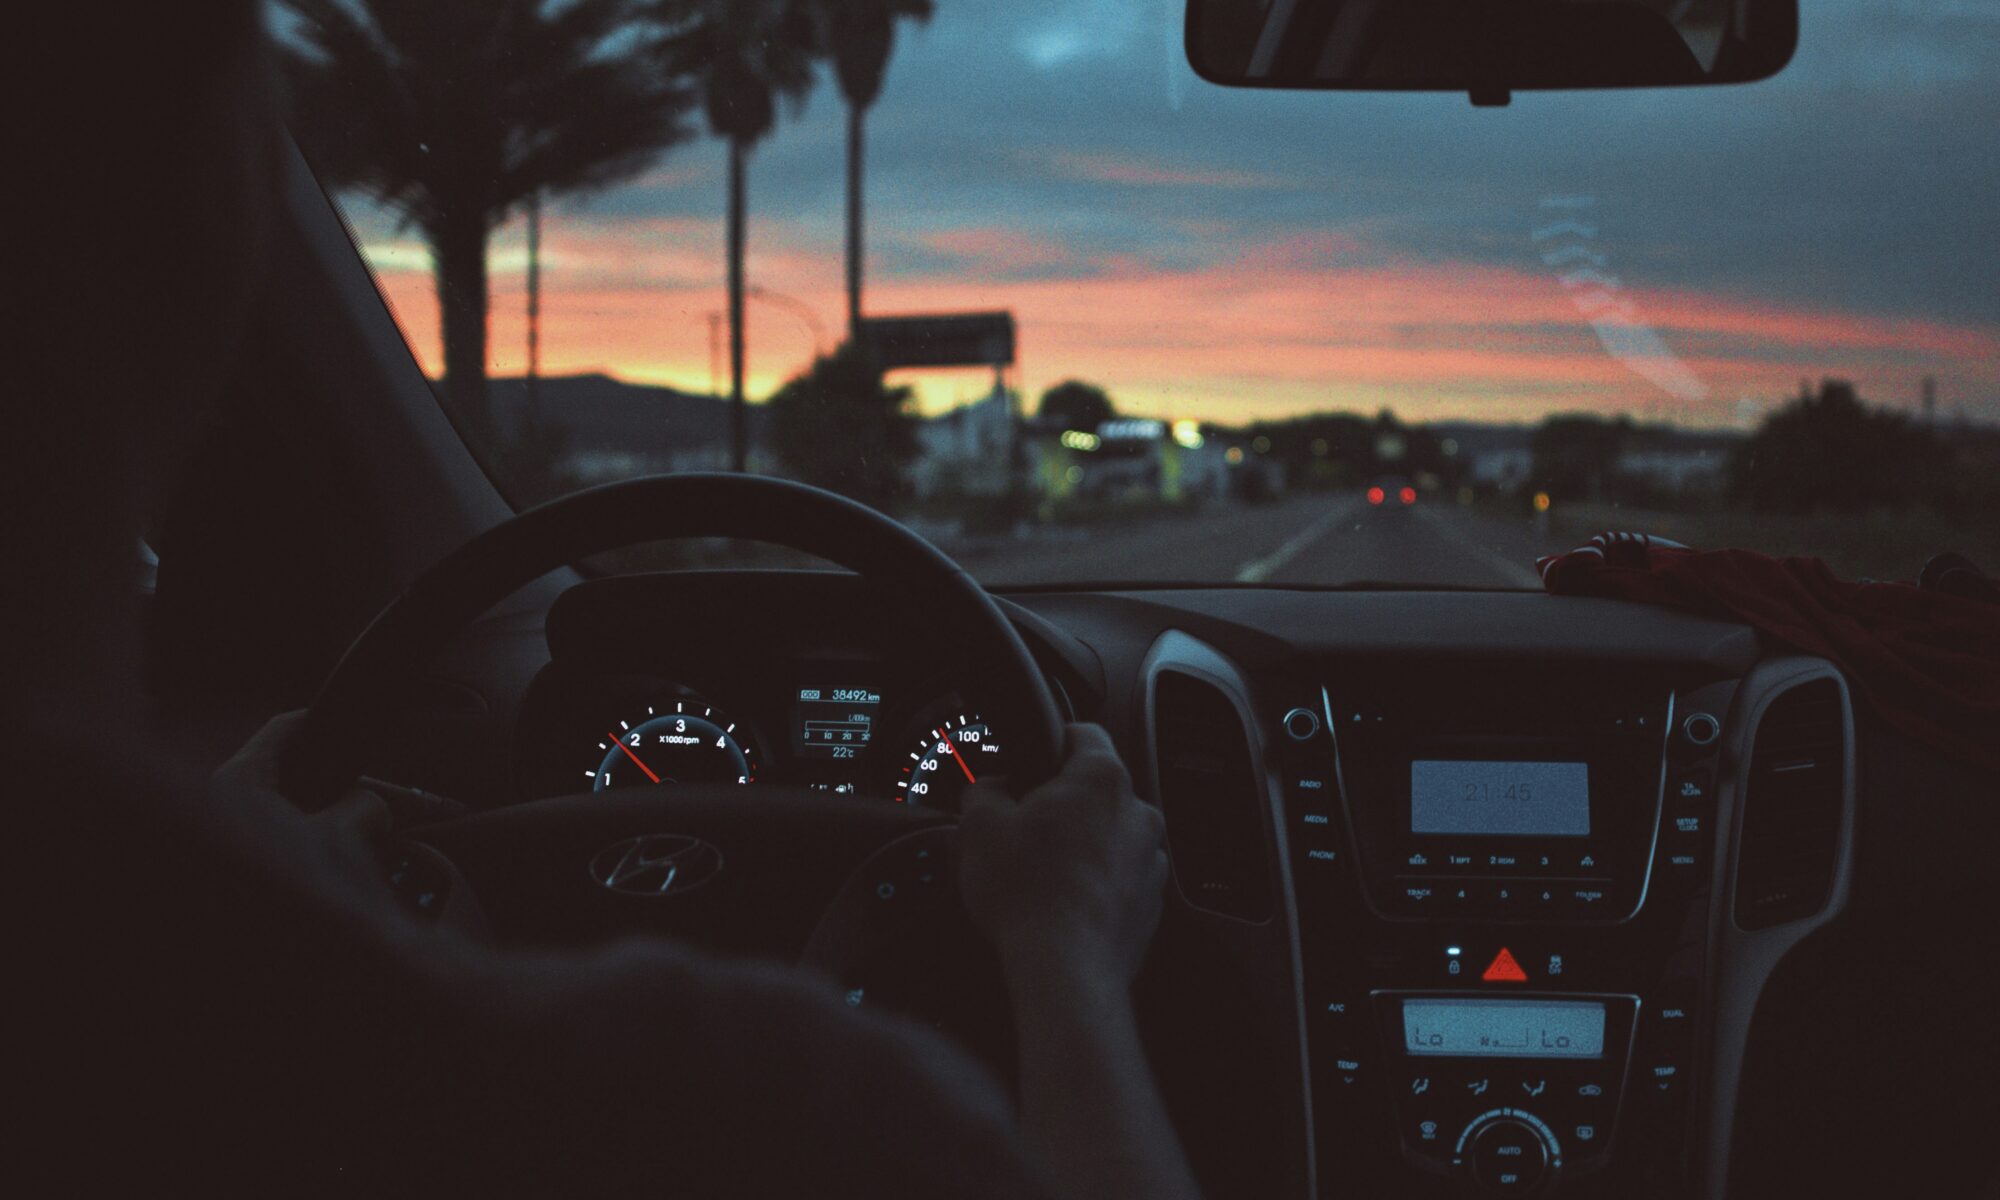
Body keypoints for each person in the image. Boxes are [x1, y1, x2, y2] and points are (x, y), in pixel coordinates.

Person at [6, 5, 1200, 1197]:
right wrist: (1063, 955)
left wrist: (238, 870)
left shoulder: (107, 998)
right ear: (222, 205)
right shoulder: (794, 1103)